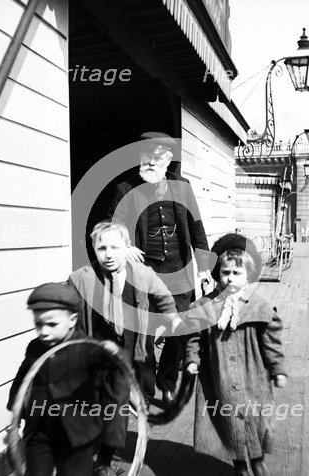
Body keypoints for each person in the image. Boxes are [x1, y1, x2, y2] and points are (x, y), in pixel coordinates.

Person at [69, 220, 183, 475]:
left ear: (127, 248)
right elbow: (65, 306)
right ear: (94, 250)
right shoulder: (83, 278)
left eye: (115, 248)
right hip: (93, 352)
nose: (108, 255)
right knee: (91, 403)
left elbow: (164, 297)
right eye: (102, 248)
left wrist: (172, 319)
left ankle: (105, 459)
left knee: (117, 403)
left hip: (129, 353)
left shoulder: (142, 274)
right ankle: (87, 451)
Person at [108, 131, 211, 403]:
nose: (151, 162)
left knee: (179, 330)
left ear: (167, 159)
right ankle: (145, 388)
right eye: (146, 156)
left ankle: (167, 382)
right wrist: (123, 244)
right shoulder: (126, 189)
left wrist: (204, 267)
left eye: (157, 157)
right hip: (145, 273)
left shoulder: (182, 187)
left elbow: (196, 228)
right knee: (145, 332)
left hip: (179, 271)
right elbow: (112, 226)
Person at [185, 233, 287, 476]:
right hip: (219, 376)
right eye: (225, 272)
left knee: (256, 420)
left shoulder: (259, 307)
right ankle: (239, 465)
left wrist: (277, 369)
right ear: (217, 274)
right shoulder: (205, 306)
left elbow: (272, 343)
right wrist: (192, 359)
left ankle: (258, 460)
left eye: (237, 273)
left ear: (248, 275)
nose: (230, 278)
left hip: (253, 376)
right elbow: (194, 338)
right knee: (229, 422)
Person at [7, 281, 126, 476]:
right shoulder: (34, 348)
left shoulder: (88, 348)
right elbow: (23, 379)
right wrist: (16, 410)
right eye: (39, 324)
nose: (44, 331)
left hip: (77, 434)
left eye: (52, 324)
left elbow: (111, 364)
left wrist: (112, 352)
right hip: (40, 431)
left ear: (72, 320)